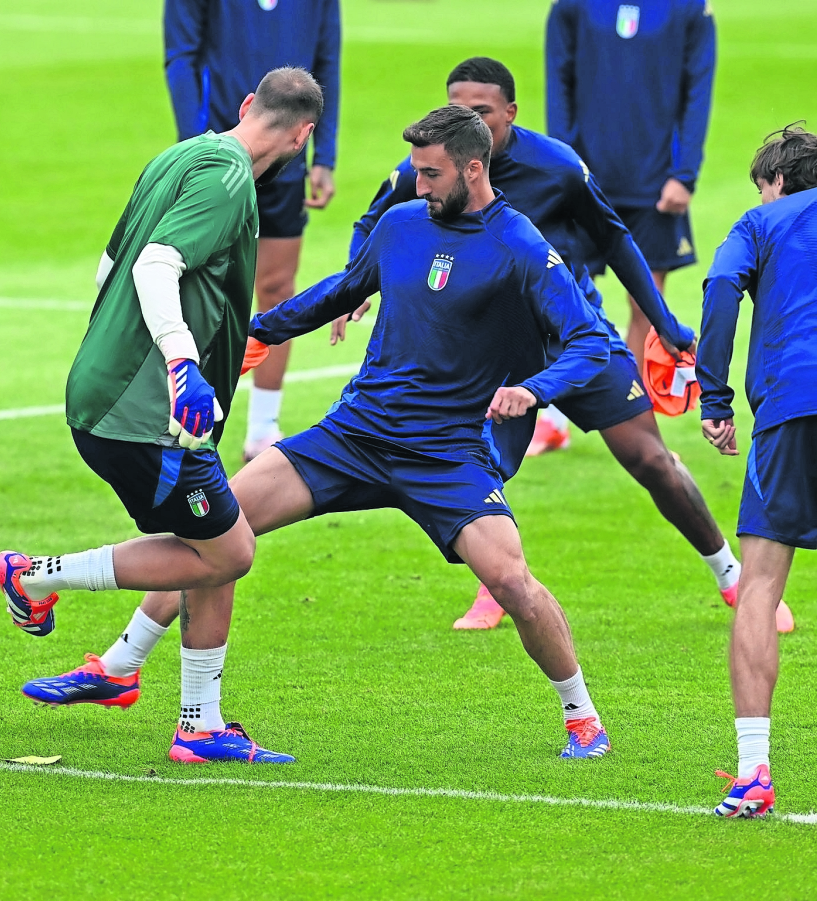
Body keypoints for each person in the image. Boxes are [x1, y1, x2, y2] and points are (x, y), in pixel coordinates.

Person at [17, 105, 617, 760]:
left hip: (445, 452)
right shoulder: (401, 225)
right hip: (353, 433)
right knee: (218, 532)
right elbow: (341, 290)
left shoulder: (522, 245)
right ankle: (122, 664)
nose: (417, 186)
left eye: (429, 174)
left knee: (511, 580)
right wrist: (258, 331)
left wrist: (534, 389)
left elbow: (589, 340)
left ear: (474, 170)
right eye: (415, 172)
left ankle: (582, 715)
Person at [334, 57, 790, 634]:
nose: (467, 119)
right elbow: (370, 221)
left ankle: (733, 578)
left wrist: (664, 323)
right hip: (492, 352)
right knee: (483, 464)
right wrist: (356, 283)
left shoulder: (557, 167)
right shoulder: (428, 169)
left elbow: (616, 242)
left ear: (511, 113)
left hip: (575, 338)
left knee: (650, 459)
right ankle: (494, 589)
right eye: (457, 108)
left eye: (481, 111)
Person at [0, 68, 323, 764]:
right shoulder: (230, 178)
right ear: (304, 135)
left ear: (244, 106)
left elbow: (108, 265)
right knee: (228, 551)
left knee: (214, 545)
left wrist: (198, 344)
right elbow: (153, 264)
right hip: (147, 412)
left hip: (115, 395)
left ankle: (192, 718)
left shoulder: (180, 154)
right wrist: (179, 362)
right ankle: (34, 576)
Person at [698, 125, 817, 818]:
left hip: (793, 407)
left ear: (774, 181)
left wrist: (713, 395)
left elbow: (719, 285)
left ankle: (753, 773)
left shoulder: (760, 220)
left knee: (761, 588)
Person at [164, 0, 340, 461]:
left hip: (288, 155)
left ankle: (263, 426)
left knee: (278, 285)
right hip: (221, 149)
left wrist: (324, 154)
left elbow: (327, 60)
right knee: (202, 289)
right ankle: (184, 420)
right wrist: (196, 145)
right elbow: (181, 55)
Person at [544, 0, 716, 454]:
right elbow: (557, 81)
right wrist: (561, 164)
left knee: (645, 305)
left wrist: (685, 172)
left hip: (655, 180)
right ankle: (552, 417)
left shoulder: (691, 9)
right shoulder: (572, 7)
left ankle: (640, 431)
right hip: (584, 175)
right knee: (563, 298)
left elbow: (698, 89)